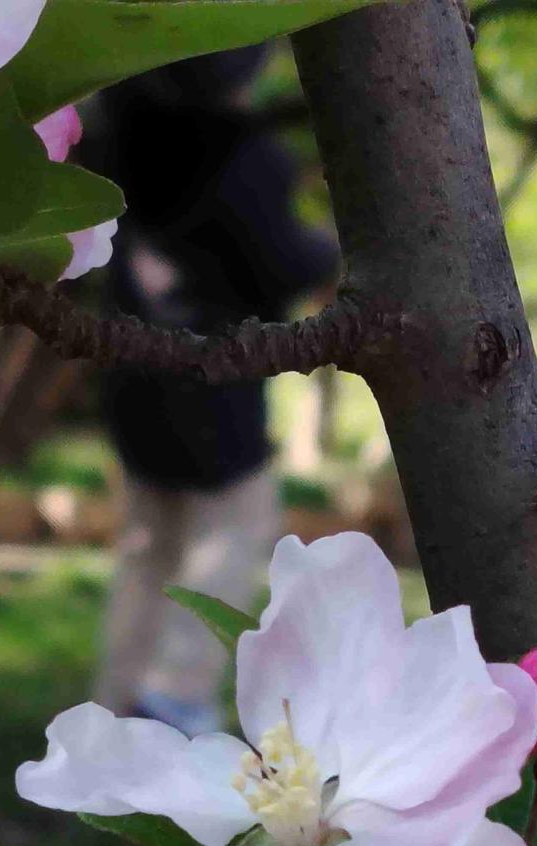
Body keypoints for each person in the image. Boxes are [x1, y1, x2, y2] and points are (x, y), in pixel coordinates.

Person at [85, 50, 339, 733]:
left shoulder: (117, 133)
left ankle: (114, 706)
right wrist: (326, 250)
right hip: (213, 376)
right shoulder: (240, 153)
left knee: (149, 542)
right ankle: (173, 691)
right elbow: (280, 261)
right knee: (234, 525)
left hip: (130, 369)